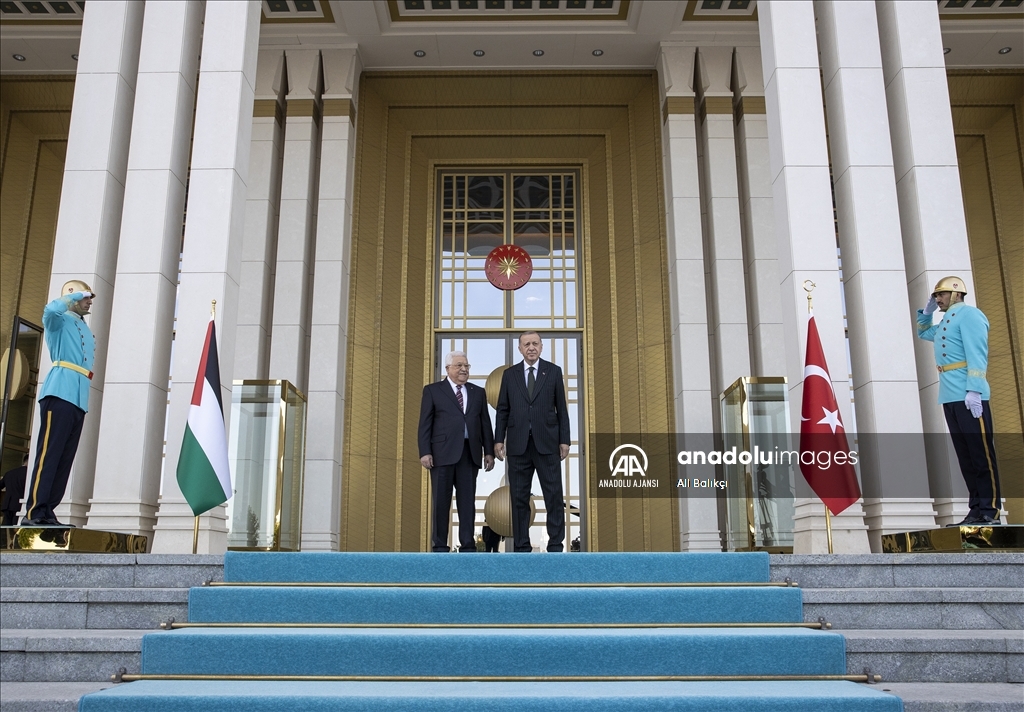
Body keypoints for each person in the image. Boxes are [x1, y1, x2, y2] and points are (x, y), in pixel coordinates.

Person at [917, 276, 1002, 526]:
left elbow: (978, 353)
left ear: (956, 294)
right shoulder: (945, 322)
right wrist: (926, 312)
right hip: (951, 396)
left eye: (939, 295)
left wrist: (974, 389)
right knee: (966, 457)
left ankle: (990, 509)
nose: (937, 300)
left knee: (981, 455)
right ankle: (976, 509)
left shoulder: (970, 315)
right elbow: (923, 333)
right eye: (935, 296)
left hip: (969, 395)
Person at [22, 281, 96, 526]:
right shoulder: (59, 320)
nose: (89, 301)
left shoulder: (84, 327)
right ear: (73, 298)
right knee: (49, 454)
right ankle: (34, 511)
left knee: (65, 458)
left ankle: (48, 510)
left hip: (78, 396)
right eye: (86, 297)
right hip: (60, 391)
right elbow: (50, 311)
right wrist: (73, 296)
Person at [494, 332, 571, 552]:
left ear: (541, 347)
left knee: (554, 496)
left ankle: (556, 544)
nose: (531, 347)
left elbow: (562, 409)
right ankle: (521, 546)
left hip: (547, 444)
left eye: (535, 343)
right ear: (520, 349)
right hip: (518, 446)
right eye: (526, 344)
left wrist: (564, 440)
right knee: (519, 499)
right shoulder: (510, 375)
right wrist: (499, 439)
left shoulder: (553, 372)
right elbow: (503, 410)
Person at [418, 351, 494, 552]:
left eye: (467, 366)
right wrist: (425, 451)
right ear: (447, 369)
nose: (464, 369)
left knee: (467, 503)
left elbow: (485, 423)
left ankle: (468, 545)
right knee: (441, 502)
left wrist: (489, 451)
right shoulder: (433, 391)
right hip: (441, 454)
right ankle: (440, 545)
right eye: (459, 365)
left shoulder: (478, 392)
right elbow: (425, 424)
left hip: (469, 454)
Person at [1, 454, 28, 526]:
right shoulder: (29, 473)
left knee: (6, 528)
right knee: (16, 528)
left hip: (7, 505)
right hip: (20, 505)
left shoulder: (9, 473)